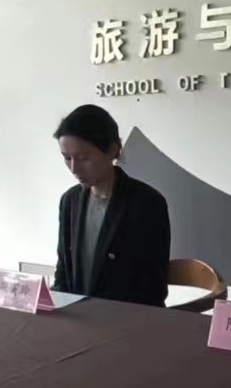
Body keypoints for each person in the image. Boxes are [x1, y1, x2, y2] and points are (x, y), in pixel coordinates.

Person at [53, 105, 170, 306]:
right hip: (77, 315)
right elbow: (63, 269)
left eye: (83, 158)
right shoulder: (69, 201)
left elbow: (153, 286)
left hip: (127, 318)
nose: (74, 168)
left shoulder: (147, 202)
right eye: (66, 158)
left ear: (112, 150)